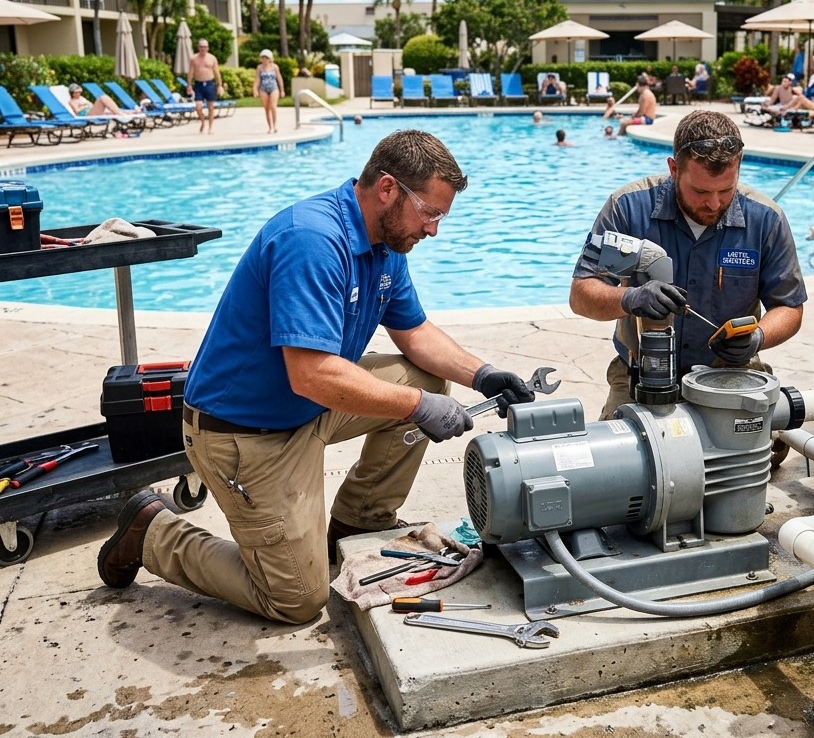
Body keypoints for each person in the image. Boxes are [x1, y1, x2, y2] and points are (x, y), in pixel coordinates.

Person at [96, 129, 536, 624]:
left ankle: (355, 523)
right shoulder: (312, 239)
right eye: (430, 213)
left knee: (427, 380)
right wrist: (414, 407)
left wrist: (484, 375)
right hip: (245, 434)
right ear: (388, 189)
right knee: (297, 600)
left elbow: (414, 334)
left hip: (307, 407)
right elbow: (310, 374)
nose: (433, 229)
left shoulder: (386, 244)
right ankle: (153, 531)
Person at [570, 110, 807, 419]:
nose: (714, 203)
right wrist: (628, 299)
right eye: (700, 191)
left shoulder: (765, 219)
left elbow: (790, 306)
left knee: (744, 464)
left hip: (731, 373)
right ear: (673, 169)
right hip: (641, 375)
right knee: (622, 464)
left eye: (726, 190)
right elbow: (581, 294)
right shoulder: (629, 208)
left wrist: (758, 337)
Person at [187, 38, 224, 134]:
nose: (203, 48)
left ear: (208, 48)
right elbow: (190, 73)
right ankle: (203, 122)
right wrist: (189, 85)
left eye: (205, 47)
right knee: (198, 107)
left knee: (211, 107)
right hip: (199, 84)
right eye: (201, 47)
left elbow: (217, 72)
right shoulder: (193, 59)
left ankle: (210, 127)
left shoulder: (212, 58)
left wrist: (220, 85)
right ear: (198, 47)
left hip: (210, 84)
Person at [252, 49, 285, 134]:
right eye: (263, 58)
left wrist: (282, 90)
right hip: (263, 89)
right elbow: (257, 79)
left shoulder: (275, 67)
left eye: (266, 58)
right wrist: (255, 89)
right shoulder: (259, 68)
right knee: (267, 109)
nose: (264, 60)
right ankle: (270, 127)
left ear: (270, 59)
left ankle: (274, 126)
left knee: (273, 107)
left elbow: (279, 78)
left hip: (274, 88)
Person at [66, 84, 133, 117]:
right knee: (103, 97)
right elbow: (77, 112)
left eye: (79, 92)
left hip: (91, 110)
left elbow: (90, 104)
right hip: (87, 114)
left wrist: (88, 105)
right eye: (76, 92)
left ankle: (131, 112)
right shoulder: (72, 101)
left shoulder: (82, 98)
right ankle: (120, 114)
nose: (78, 93)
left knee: (110, 108)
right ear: (72, 93)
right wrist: (84, 105)